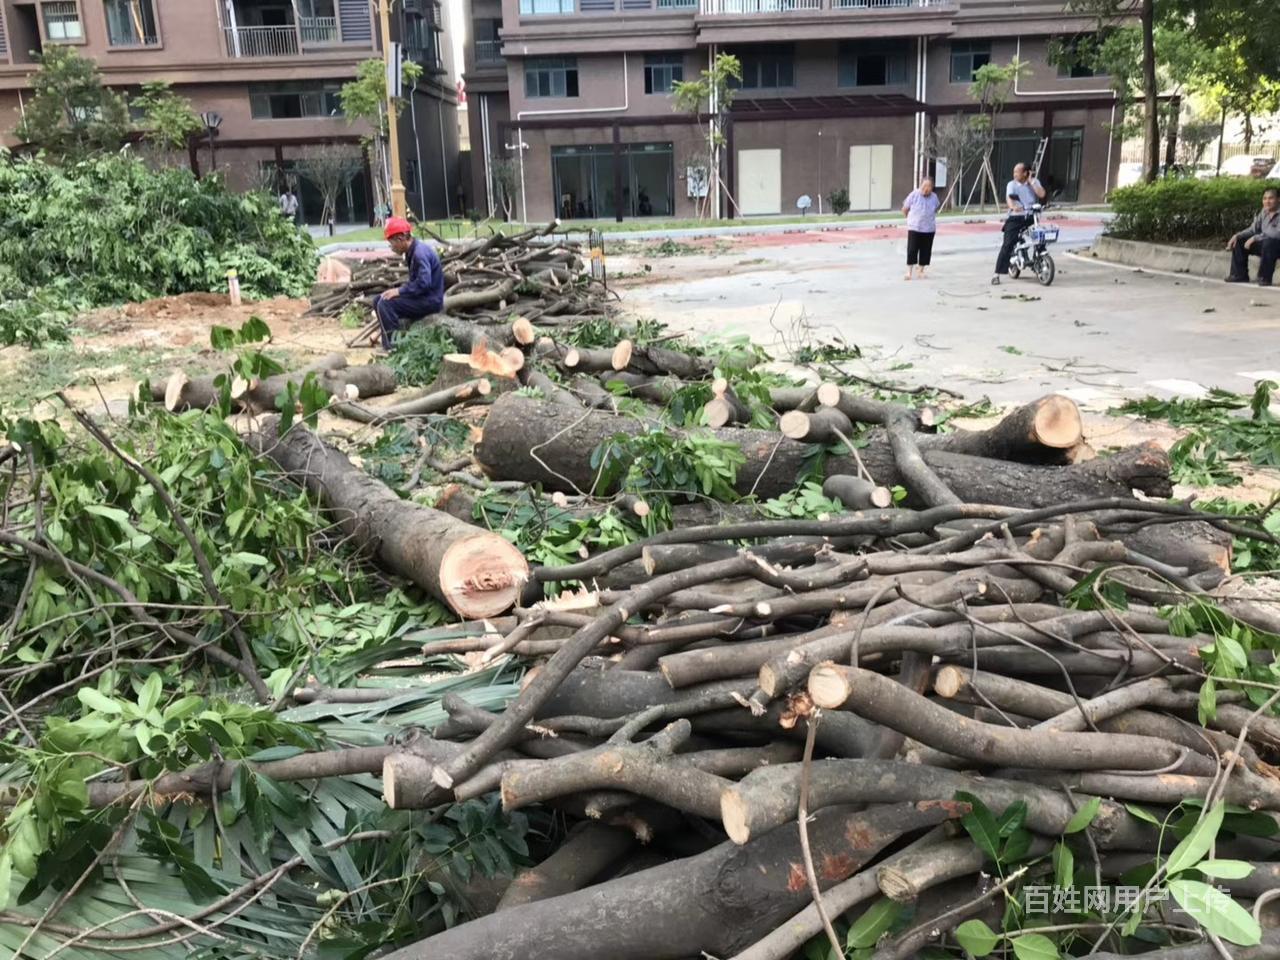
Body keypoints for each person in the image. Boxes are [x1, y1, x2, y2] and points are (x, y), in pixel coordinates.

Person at [372, 217, 444, 351]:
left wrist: (399, 292)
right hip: (422, 297)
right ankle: (389, 342)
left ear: (400, 239)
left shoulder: (419, 253)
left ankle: (394, 348)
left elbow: (424, 283)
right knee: (378, 300)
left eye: (391, 243)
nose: (391, 248)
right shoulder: (413, 251)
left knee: (385, 304)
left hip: (430, 301)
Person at [991, 162, 1046, 285]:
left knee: (1040, 237)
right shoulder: (1012, 184)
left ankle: (1040, 260)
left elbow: (1042, 194)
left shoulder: (1034, 182)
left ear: (1025, 173)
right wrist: (1013, 207)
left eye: (1017, 172)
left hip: (1031, 216)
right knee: (1007, 244)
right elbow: (1009, 198)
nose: (1014, 174)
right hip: (1016, 217)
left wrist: (1031, 182)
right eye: (1014, 172)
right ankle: (997, 274)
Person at [1226, 187, 1280, 286]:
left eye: (1271, 198)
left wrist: (1255, 238)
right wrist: (1237, 235)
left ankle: (1264, 277)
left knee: (1269, 242)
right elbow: (1253, 229)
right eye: (1264, 198)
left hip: (1276, 245)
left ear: (1278, 199)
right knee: (1240, 240)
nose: (1267, 201)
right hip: (1266, 245)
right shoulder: (1264, 212)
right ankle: (1239, 275)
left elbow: (1276, 234)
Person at [901, 176, 942, 280]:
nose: (926, 189)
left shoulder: (934, 197)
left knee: (926, 250)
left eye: (929, 187)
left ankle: (921, 270)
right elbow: (905, 208)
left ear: (932, 188)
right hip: (915, 227)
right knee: (912, 249)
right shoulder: (914, 195)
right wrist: (910, 219)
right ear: (920, 185)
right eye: (924, 186)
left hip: (929, 228)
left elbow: (935, 208)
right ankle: (909, 272)